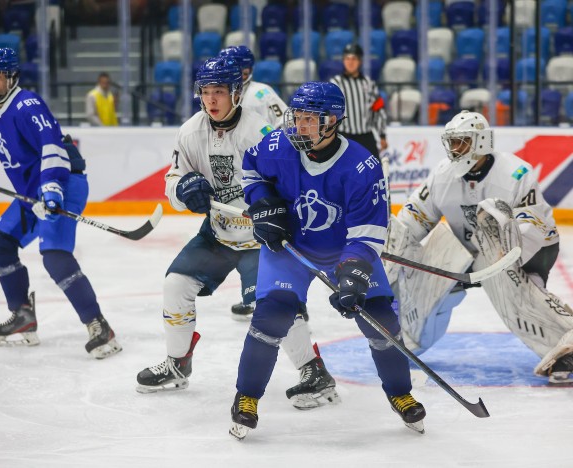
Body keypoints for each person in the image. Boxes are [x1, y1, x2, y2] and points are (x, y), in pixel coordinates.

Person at [135, 58, 339, 410]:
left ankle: (313, 370)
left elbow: (288, 183)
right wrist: (183, 188)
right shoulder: (189, 132)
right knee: (175, 285)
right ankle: (177, 363)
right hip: (218, 233)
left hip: (260, 241)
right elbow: (172, 178)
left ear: (236, 93)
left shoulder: (259, 133)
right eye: (206, 92)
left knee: (274, 301)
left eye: (219, 92)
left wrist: (276, 211)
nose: (211, 100)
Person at [229, 81, 425, 440]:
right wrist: (262, 202)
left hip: (342, 250)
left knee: (381, 320)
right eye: (297, 117)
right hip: (290, 248)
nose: (299, 126)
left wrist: (352, 275)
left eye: (309, 119)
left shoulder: (362, 166)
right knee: (270, 316)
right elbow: (251, 168)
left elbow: (367, 233)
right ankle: (246, 398)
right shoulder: (277, 145)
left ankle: (400, 392)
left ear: (333, 121)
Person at [0, 48, 121, 359]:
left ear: (12, 77)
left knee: (54, 256)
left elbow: (52, 146)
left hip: (64, 183)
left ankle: (99, 326)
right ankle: (23, 316)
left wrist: (51, 187)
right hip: (30, 193)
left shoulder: (28, 105)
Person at [386, 110, 573, 385]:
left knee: (520, 301)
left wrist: (505, 256)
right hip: (466, 253)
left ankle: (565, 349)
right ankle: (409, 338)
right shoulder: (442, 175)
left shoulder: (515, 173)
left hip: (527, 250)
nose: (454, 149)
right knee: (423, 291)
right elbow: (414, 218)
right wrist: (392, 252)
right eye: (451, 142)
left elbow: (532, 226)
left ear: (481, 142)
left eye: (461, 141)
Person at [218, 45, 289, 319]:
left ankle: (295, 302)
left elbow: (285, 123)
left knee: (272, 236)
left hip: (264, 172)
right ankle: (252, 295)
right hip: (239, 175)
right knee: (247, 240)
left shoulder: (261, 92)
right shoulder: (225, 92)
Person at [329, 43, 387, 158]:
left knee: (374, 172)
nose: (350, 62)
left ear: (360, 61)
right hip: (344, 136)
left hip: (366, 137)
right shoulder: (335, 83)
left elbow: (378, 110)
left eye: (354, 59)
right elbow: (330, 111)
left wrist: (382, 135)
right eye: (347, 58)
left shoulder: (369, 83)